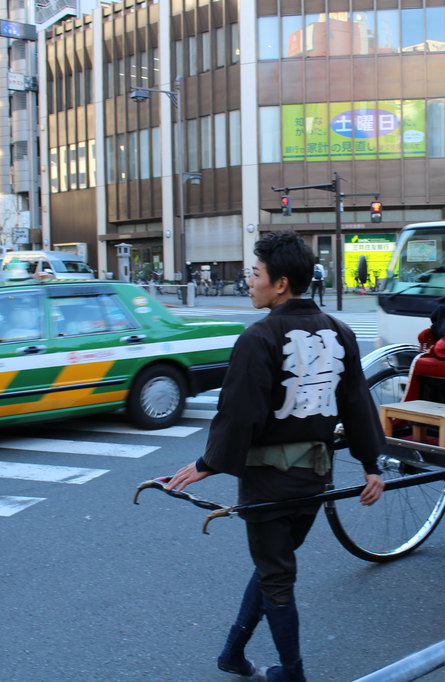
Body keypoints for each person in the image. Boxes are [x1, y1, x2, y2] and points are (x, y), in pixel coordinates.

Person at [165, 230, 385, 682]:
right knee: (275, 564)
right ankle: (232, 653)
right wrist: (370, 464)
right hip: (313, 478)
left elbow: (239, 412)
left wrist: (208, 463)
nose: (249, 280)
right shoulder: (340, 333)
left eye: (255, 273)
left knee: (276, 573)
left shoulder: (260, 336)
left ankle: (292, 672)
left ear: (281, 283)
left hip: (267, 479)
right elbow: (359, 404)